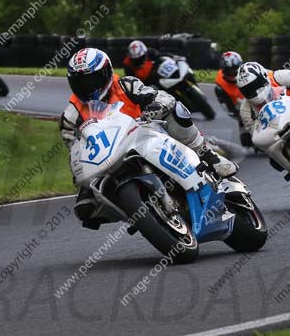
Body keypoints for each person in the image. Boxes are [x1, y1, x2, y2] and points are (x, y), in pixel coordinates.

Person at [60, 48, 238, 227]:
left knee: (176, 109)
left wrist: (156, 105)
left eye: (92, 79)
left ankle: (207, 154)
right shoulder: (71, 114)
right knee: (86, 208)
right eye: (80, 82)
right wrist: (81, 180)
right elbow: (75, 150)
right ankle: (138, 213)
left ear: (106, 72)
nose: (88, 87)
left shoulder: (125, 85)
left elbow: (160, 96)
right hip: (109, 155)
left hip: (147, 132)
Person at [214, 51, 252, 147]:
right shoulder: (220, 85)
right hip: (241, 108)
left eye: (234, 69)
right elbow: (226, 106)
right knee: (246, 142)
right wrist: (237, 114)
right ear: (223, 70)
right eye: (228, 70)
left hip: (258, 100)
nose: (232, 73)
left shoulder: (250, 72)